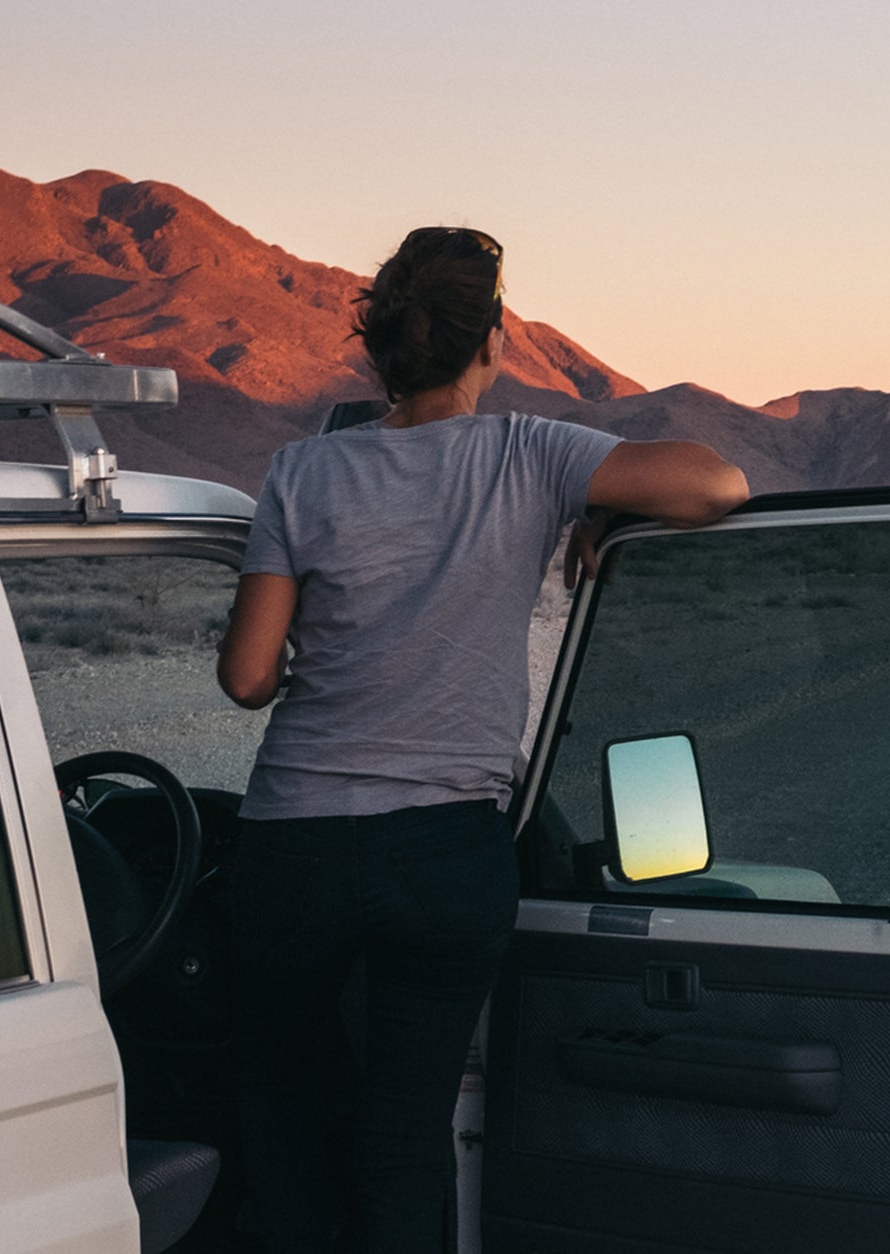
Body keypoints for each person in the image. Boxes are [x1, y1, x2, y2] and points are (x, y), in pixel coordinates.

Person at [215, 225, 748, 1252]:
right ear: (492, 342)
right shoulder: (533, 454)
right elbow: (716, 484)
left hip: (296, 847)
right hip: (447, 854)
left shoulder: (301, 473)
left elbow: (245, 678)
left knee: (282, 1111)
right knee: (405, 1131)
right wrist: (602, 513)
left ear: (380, 348)